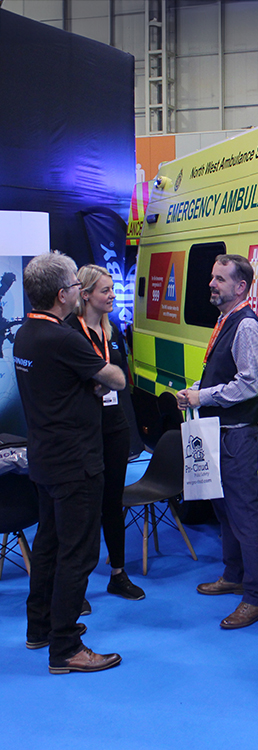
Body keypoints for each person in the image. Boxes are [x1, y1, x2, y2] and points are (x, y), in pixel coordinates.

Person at [14, 252, 126, 673]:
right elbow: (115, 377)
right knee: (77, 554)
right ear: (63, 295)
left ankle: (39, 628)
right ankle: (65, 648)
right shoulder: (63, 338)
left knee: (48, 546)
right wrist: (98, 377)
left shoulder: (26, 334)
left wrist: (84, 386)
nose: (81, 294)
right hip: (76, 463)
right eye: (77, 289)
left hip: (45, 458)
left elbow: (57, 387)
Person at [176, 255, 258, 629]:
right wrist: (196, 391)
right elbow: (226, 374)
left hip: (236, 436)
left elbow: (252, 381)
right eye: (212, 277)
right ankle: (233, 576)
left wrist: (205, 397)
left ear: (241, 287)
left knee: (245, 516)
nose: (211, 284)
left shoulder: (246, 325)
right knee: (225, 511)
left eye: (219, 279)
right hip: (218, 433)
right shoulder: (226, 320)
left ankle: (255, 598)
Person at [67, 265, 146, 601]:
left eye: (113, 289)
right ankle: (75, 586)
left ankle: (118, 573)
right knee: (84, 508)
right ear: (85, 295)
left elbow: (122, 378)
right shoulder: (70, 332)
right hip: (83, 431)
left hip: (114, 426)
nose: (113, 295)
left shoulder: (111, 329)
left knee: (113, 502)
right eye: (106, 290)